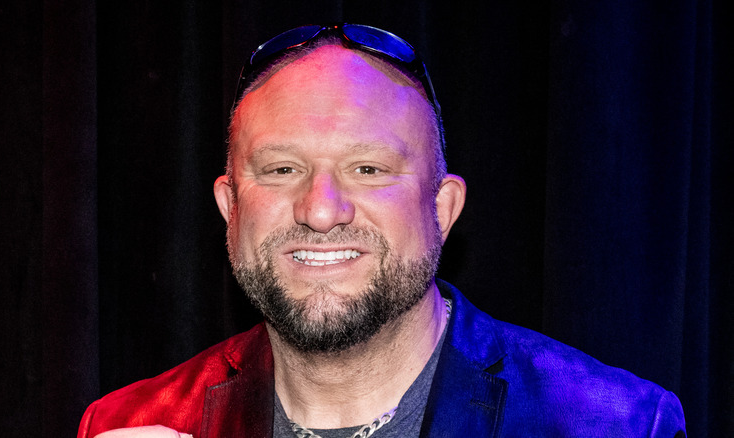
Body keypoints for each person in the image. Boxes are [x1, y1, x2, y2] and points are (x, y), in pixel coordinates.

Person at [78, 24, 686, 438]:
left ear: (441, 211)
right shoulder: (129, 422)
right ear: (229, 208)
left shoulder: (614, 425)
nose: (320, 210)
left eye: (368, 170)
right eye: (282, 170)